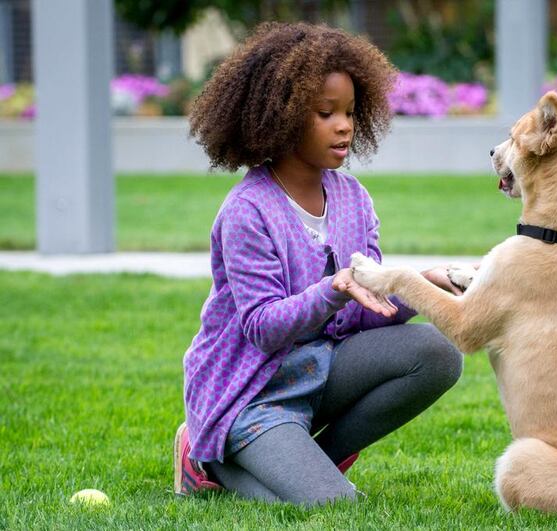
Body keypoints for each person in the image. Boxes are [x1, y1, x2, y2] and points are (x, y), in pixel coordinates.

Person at [173, 21, 464, 506]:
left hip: (320, 371)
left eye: (350, 111)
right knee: (334, 505)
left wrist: (420, 285)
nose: (345, 125)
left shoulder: (354, 199)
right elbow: (264, 329)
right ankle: (206, 458)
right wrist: (333, 288)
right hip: (251, 394)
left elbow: (368, 312)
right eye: (325, 113)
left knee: (438, 352)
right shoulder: (247, 211)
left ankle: (309, 462)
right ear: (280, 117)